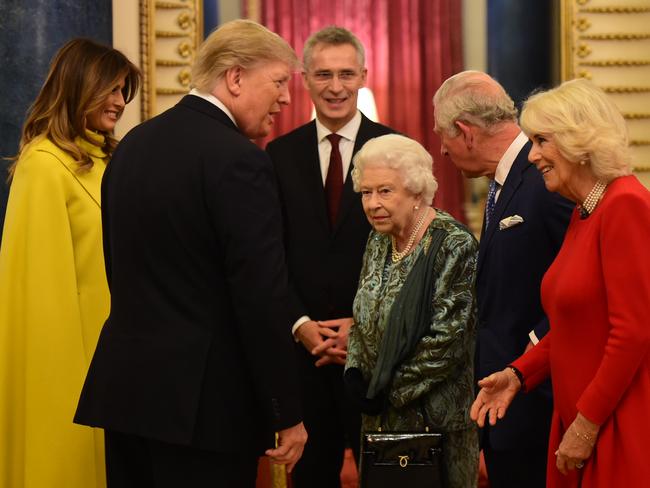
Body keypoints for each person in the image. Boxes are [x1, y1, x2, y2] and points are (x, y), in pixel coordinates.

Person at [73, 20, 307, 488]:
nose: (285, 99)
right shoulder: (240, 159)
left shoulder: (131, 147)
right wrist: (287, 409)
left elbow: (119, 270)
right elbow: (260, 295)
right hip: (205, 412)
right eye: (279, 82)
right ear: (235, 78)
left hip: (126, 396)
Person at [471, 78, 650, 487]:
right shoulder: (583, 212)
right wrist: (517, 374)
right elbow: (572, 323)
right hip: (578, 416)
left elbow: (633, 332)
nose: (532, 156)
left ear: (579, 141)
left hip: (614, 422)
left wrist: (586, 424)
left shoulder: (625, 205)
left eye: (542, 141)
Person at [0, 38, 140, 488]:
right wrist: (67, 387)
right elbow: (40, 291)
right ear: (80, 86)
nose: (120, 102)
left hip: (120, 356)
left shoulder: (111, 159)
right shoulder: (42, 163)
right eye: (112, 89)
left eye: (124, 90)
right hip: (71, 365)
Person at [266, 26, 396, 487]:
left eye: (346, 73)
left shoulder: (396, 150)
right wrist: (301, 324)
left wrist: (363, 328)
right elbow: (269, 255)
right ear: (304, 78)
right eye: (324, 74)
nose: (336, 86)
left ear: (363, 75)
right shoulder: (277, 155)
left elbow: (411, 256)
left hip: (379, 357)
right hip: (302, 356)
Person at [433, 70, 573, 488]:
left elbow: (586, 278)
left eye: (444, 135)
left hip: (538, 403)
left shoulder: (546, 177)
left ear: (465, 131)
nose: (441, 149)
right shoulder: (504, 183)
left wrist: (532, 354)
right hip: (504, 404)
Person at [344, 133, 479, 488]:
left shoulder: (453, 244)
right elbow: (362, 316)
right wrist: (355, 370)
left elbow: (448, 341)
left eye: (385, 191)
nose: (373, 204)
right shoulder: (378, 239)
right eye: (366, 192)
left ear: (417, 191)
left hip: (435, 424)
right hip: (378, 422)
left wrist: (384, 390)